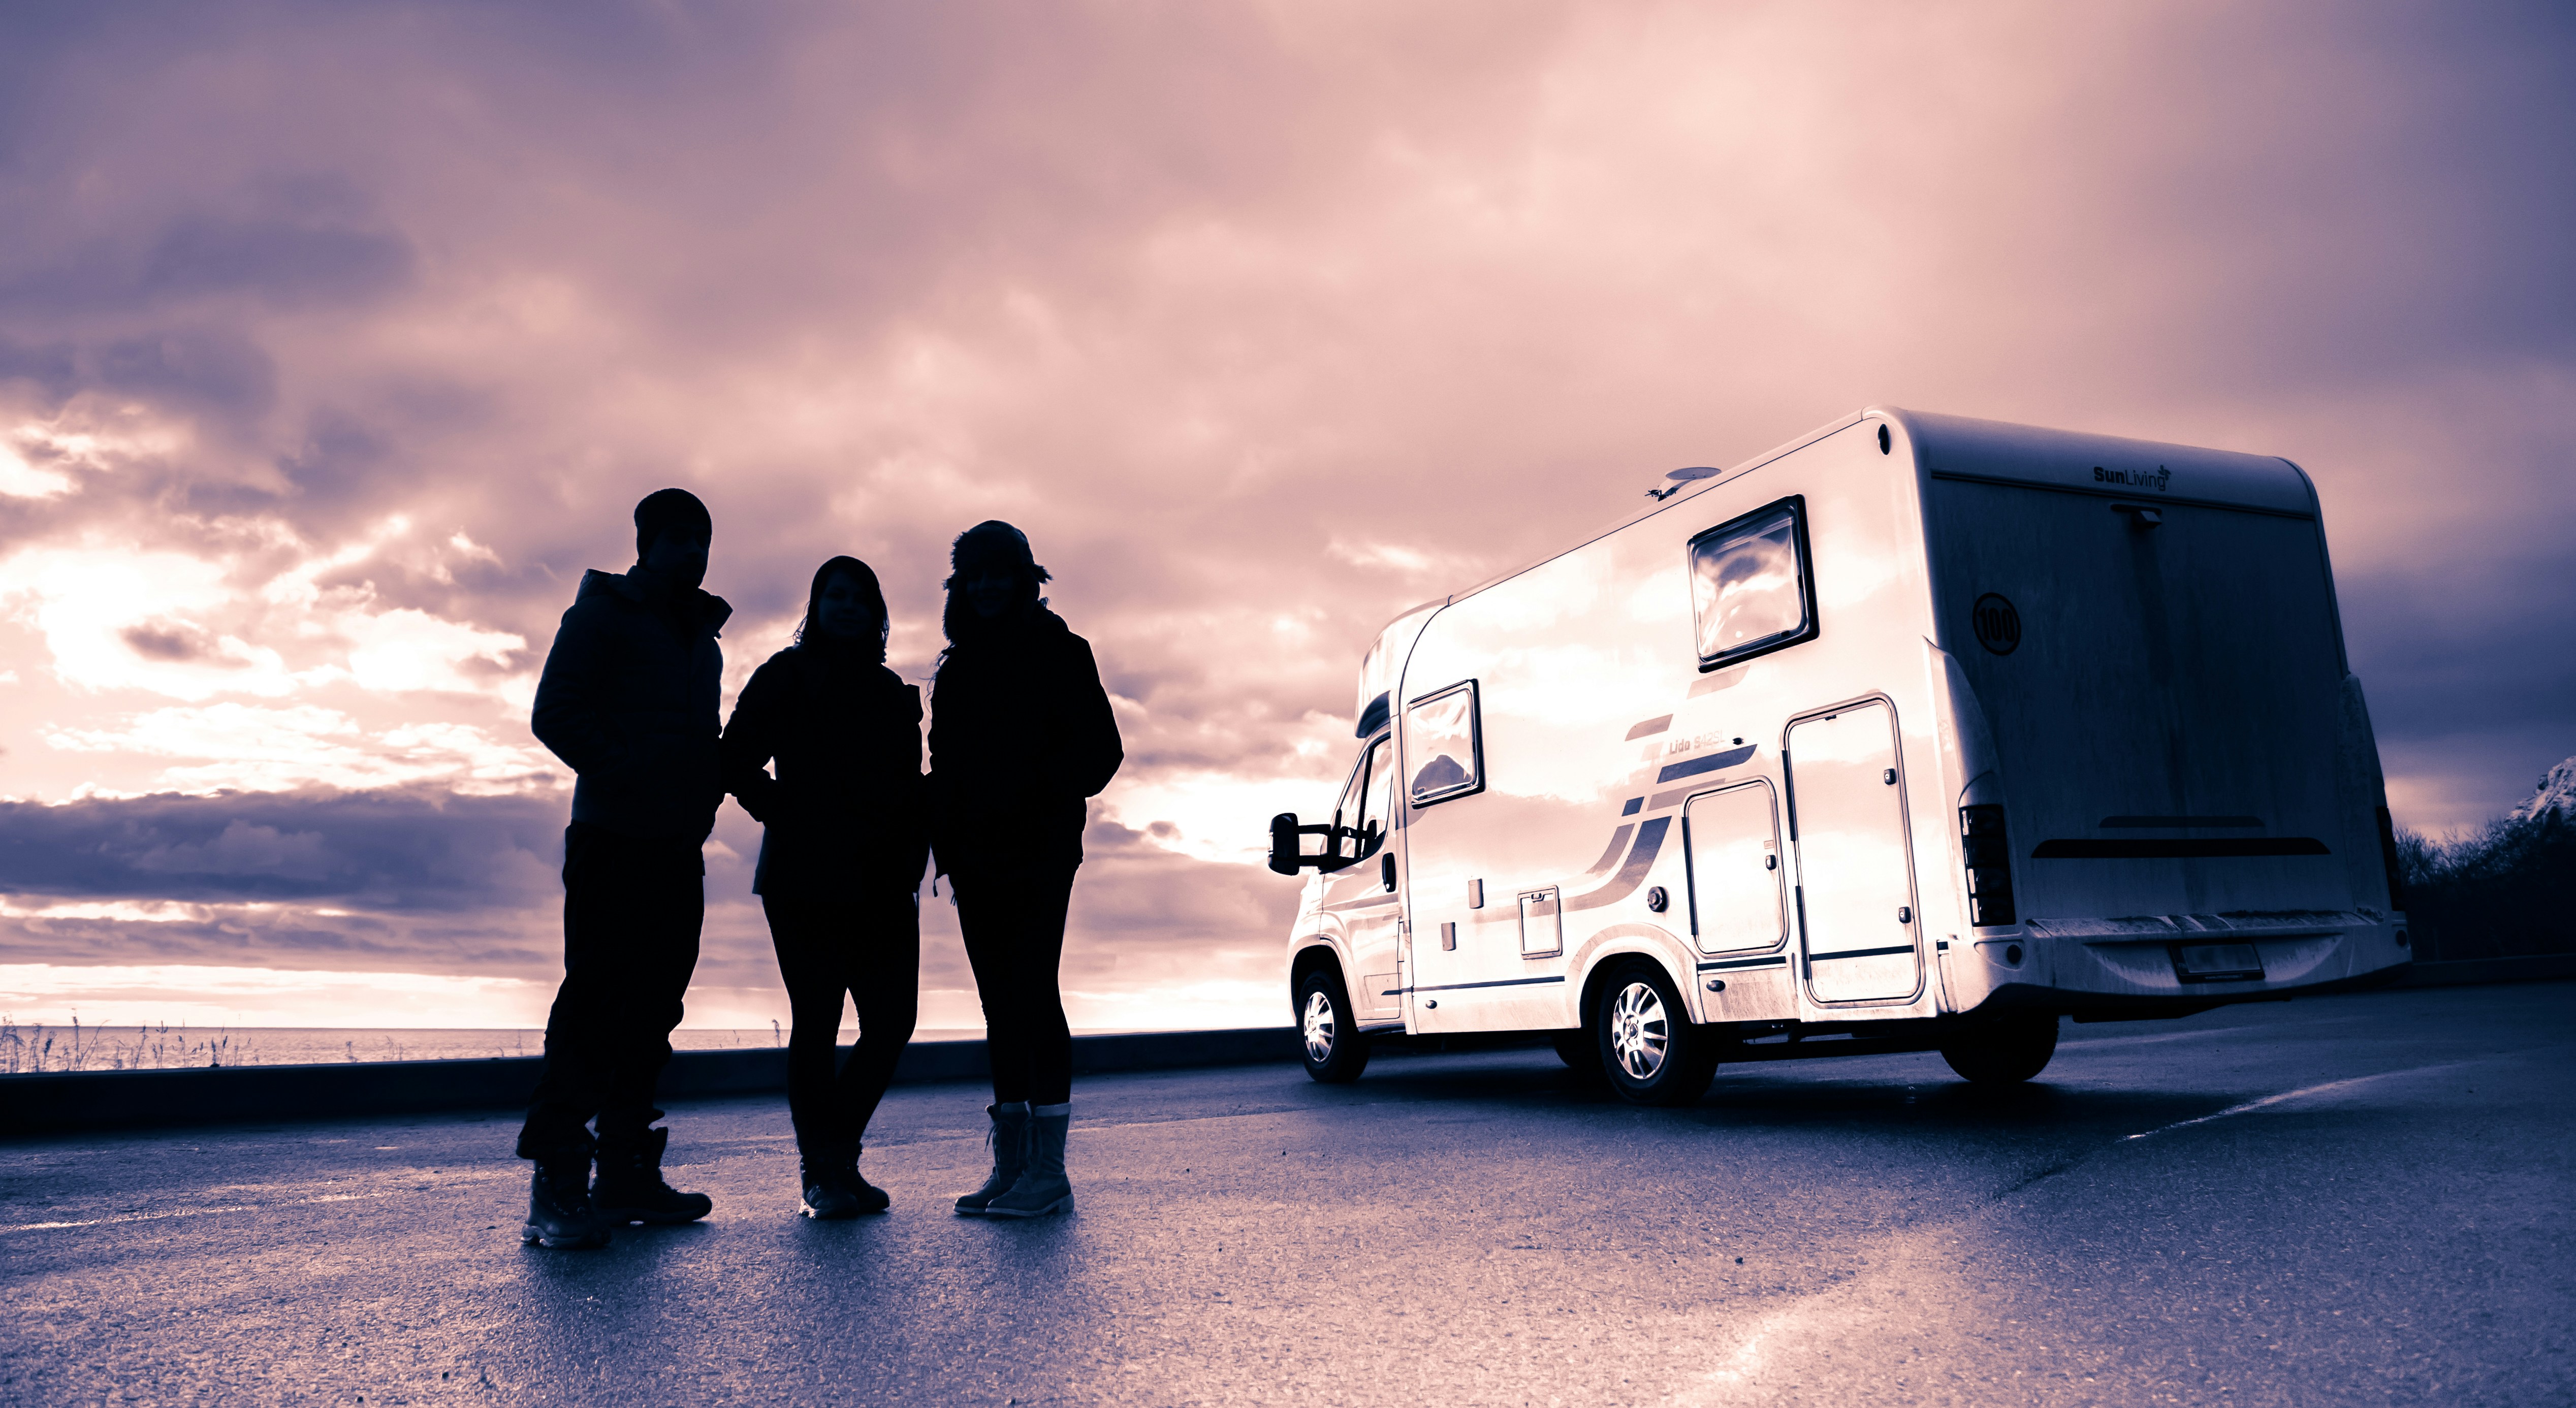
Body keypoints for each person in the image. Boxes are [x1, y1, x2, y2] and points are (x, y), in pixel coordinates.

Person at [516, 487, 728, 1250]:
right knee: (595, 1007)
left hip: (677, 848)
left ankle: (627, 1174)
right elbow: (555, 711)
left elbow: (703, 739)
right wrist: (626, 772)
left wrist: (701, 802)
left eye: (701, 539)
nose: (691, 552)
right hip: (610, 840)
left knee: (654, 1013)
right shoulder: (601, 613)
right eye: (676, 538)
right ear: (644, 544)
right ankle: (558, 1186)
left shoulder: (703, 638)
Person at [721, 557, 927, 1219]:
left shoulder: (891, 688)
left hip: (884, 879)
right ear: (816, 605)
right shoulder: (786, 673)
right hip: (805, 878)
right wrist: (790, 818)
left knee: (892, 1021)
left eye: (859, 598)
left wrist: (915, 850)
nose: (846, 606)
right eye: (834, 595)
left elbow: (909, 784)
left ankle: (836, 1153)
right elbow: (734, 759)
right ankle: (824, 1171)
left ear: (876, 613)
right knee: (819, 1022)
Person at [932, 521, 1124, 1219]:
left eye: (998, 573)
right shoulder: (954, 672)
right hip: (974, 861)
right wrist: (946, 846)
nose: (986, 586)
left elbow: (1102, 753)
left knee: (1034, 995)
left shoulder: (1061, 652)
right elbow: (943, 770)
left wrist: (1032, 790)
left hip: (1040, 852)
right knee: (998, 1006)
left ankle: (1049, 1172)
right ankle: (1011, 1167)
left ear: (1023, 578)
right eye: (973, 575)